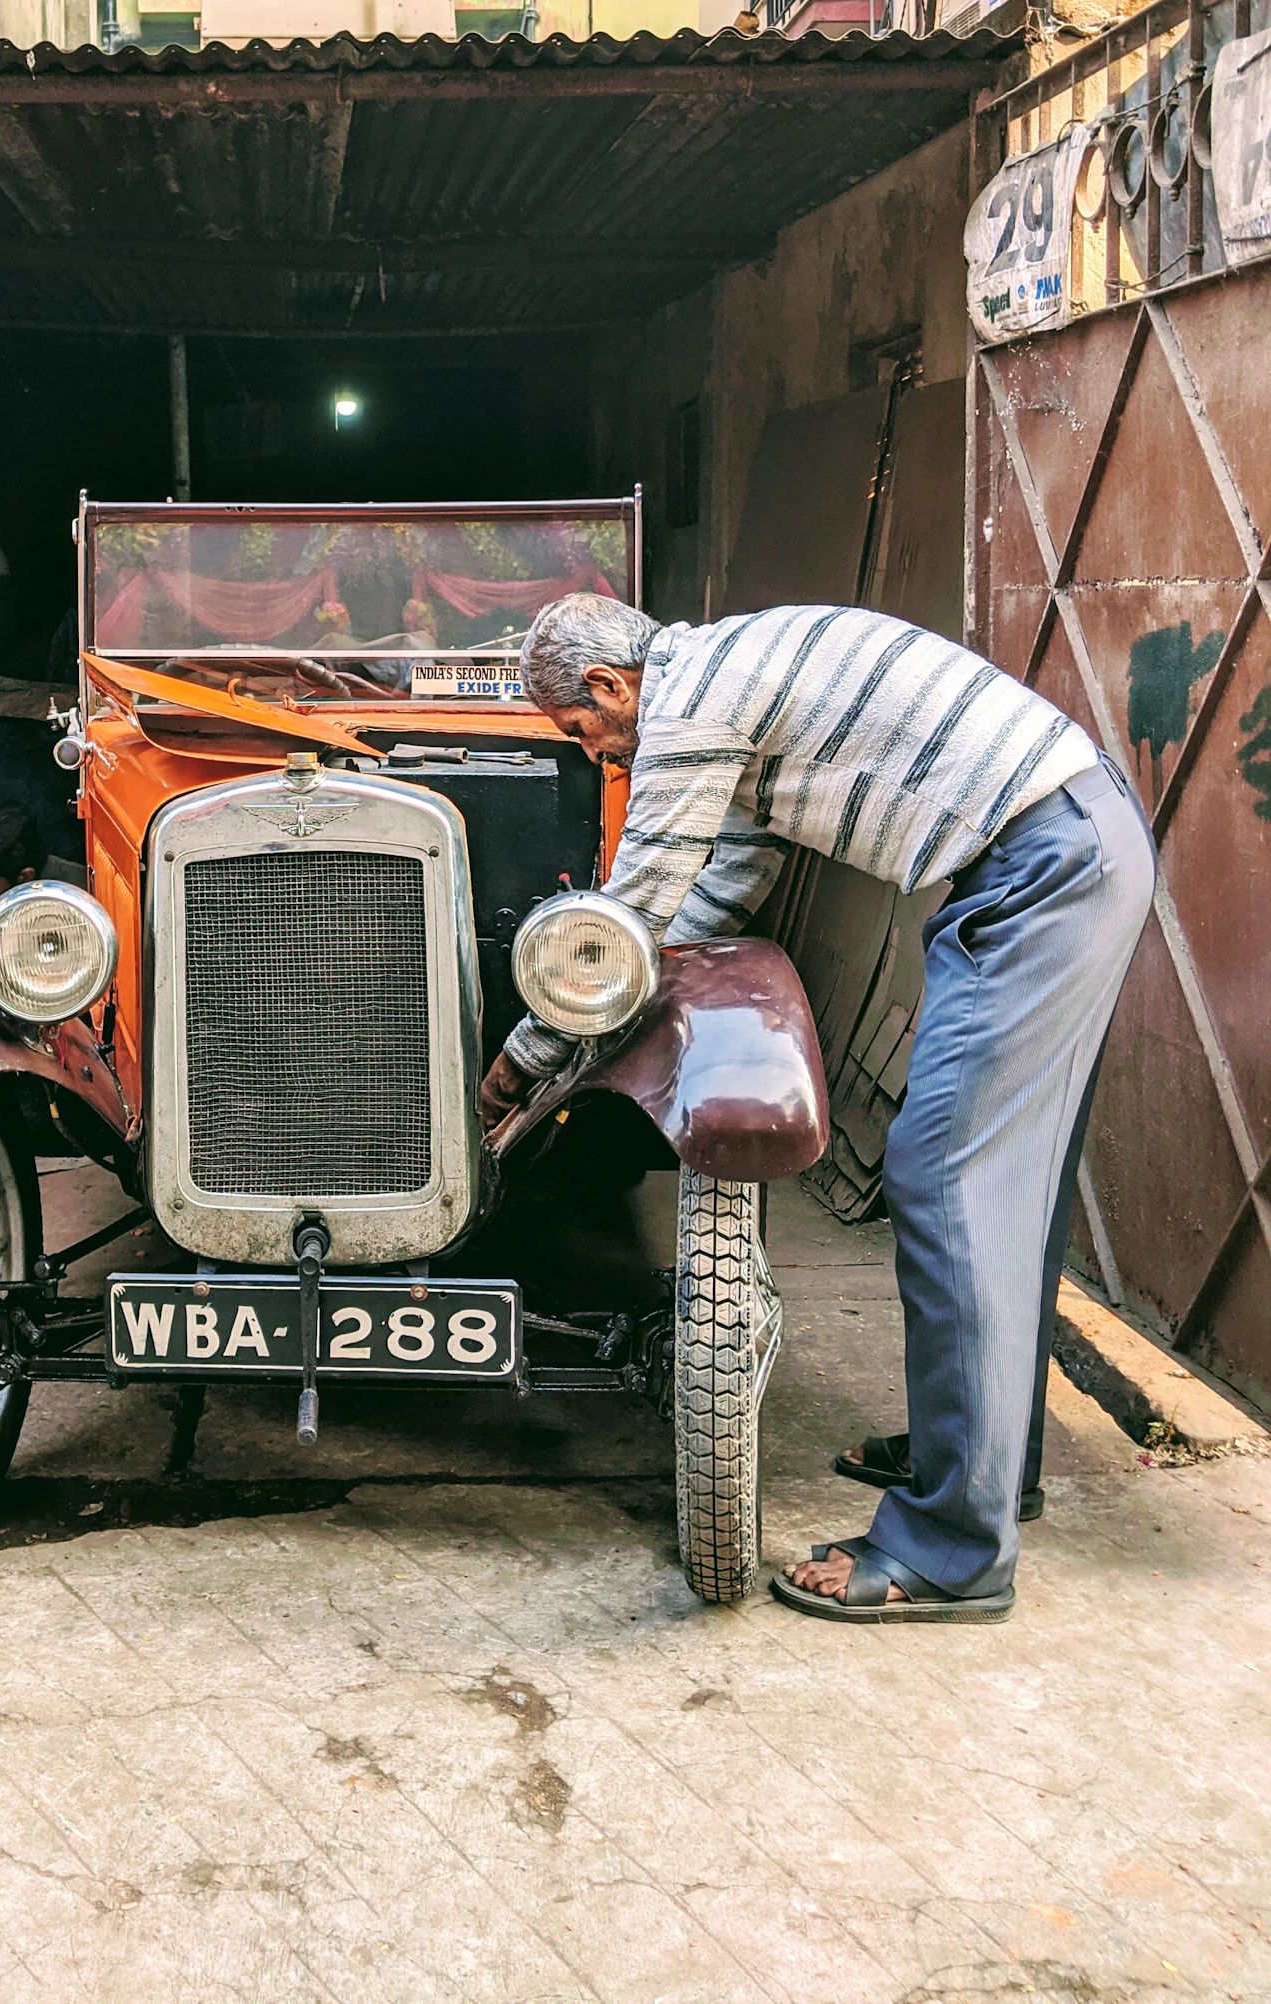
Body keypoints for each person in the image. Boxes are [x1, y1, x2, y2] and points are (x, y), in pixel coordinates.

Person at [479, 594, 1154, 1625]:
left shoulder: (692, 704)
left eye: (588, 734)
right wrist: (598, 1032)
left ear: (612, 687)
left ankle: (954, 1549)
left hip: (1045, 868)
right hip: (1067, 846)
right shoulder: (735, 682)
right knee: (1008, 1180)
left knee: (944, 1178)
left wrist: (524, 1061)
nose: (603, 758)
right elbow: (717, 895)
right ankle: (978, 1467)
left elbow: (631, 911)